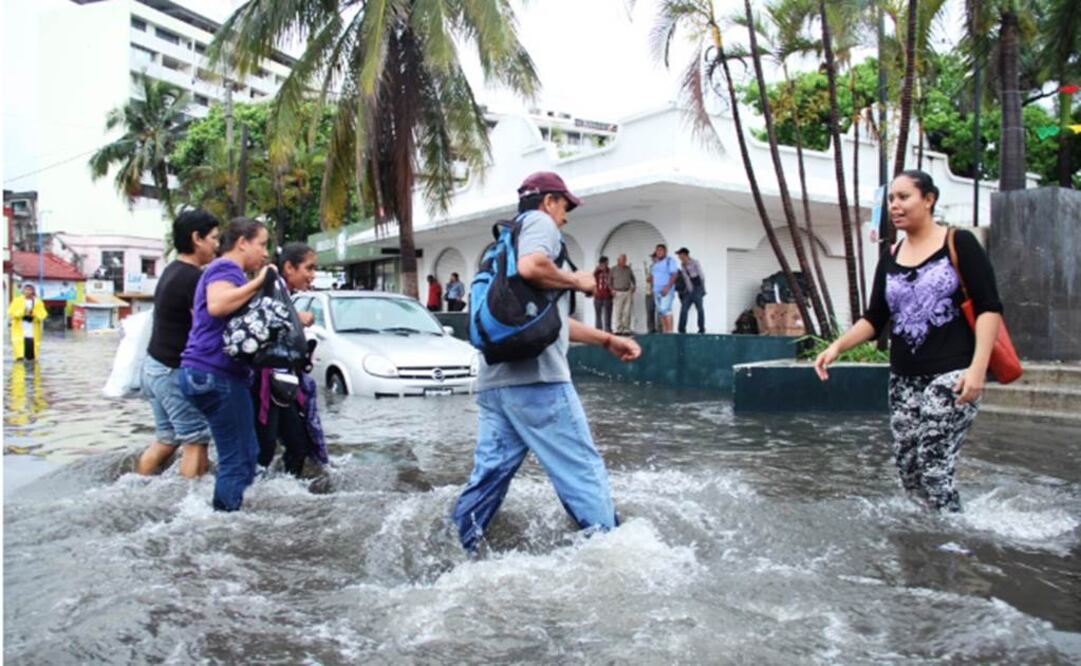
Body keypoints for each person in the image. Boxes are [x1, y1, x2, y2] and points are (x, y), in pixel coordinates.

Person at [452, 171, 642, 552]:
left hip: (495, 386)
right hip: (539, 384)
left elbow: (546, 323)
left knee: (488, 478)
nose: (566, 216)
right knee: (582, 470)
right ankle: (615, 556)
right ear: (548, 201)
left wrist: (606, 339)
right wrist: (578, 280)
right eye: (564, 206)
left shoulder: (497, 249)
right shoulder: (538, 224)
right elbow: (533, 267)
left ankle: (454, 545)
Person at [814, 170, 1003, 512]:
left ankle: (953, 539)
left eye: (904, 197)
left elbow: (990, 308)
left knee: (933, 462)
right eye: (891, 199)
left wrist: (978, 370)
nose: (895, 206)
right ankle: (921, 542)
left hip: (954, 374)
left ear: (929, 199)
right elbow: (875, 318)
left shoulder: (959, 244)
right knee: (908, 469)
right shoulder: (890, 256)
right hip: (903, 380)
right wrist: (837, 347)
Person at [178, 217, 272, 511]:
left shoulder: (229, 273)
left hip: (206, 373)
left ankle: (225, 515)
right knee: (239, 458)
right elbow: (218, 305)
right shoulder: (226, 268)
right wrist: (260, 282)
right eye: (262, 244)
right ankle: (224, 524)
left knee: (245, 452)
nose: (266, 253)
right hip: (215, 374)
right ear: (242, 243)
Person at [136, 210, 220, 478]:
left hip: (153, 368)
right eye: (214, 238)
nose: (217, 245)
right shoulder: (192, 278)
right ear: (197, 238)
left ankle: (138, 485)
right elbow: (203, 328)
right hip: (172, 371)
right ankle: (191, 507)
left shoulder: (171, 270)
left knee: (167, 439)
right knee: (196, 439)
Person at [251, 243, 329, 477]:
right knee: (265, 449)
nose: (312, 274)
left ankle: (286, 495)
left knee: (298, 445)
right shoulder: (270, 289)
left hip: (283, 384)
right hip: (265, 384)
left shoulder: (282, 292)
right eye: (309, 268)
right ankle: (252, 497)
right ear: (289, 267)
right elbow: (261, 320)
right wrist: (297, 318)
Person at [8, 284, 47, 361]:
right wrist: (22, 314)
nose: (28, 291)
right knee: (20, 353)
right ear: (23, 290)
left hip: (32, 331)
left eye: (30, 289)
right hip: (19, 329)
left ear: (33, 291)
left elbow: (43, 314)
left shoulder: (38, 302)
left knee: (31, 354)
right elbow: (11, 312)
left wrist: (34, 316)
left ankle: (31, 370)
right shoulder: (17, 301)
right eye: (26, 289)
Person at [650, 244, 680, 333]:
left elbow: (674, 274)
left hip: (666, 290)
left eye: (661, 250)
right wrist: (652, 288)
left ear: (665, 251)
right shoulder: (654, 265)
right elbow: (653, 277)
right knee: (661, 312)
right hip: (656, 291)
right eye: (657, 250)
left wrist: (667, 287)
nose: (659, 252)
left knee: (665, 310)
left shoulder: (670, 261)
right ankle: (665, 332)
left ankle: (670, 333)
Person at [675, 247, 706, 334]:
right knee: (684, 309)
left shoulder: (695, 263)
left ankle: (701, 329)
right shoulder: (682, 265)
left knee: (700, 309)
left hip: (697, 289)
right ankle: (681, 330)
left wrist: (702, 289)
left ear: (684, 255)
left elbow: (702, 276)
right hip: (688, 291)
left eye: (680, 255)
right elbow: (685, 278)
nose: (679, 257)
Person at [610, 254, 636, 335]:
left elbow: (633, 278)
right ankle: (618, 329)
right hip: (617, 292)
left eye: (625, 260)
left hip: (627, 292)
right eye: (622, 260)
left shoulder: (628, 269)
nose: (624, 261)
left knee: (627, 311)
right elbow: (609, 281)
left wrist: (634, 286)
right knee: (618, 312)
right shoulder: (613, 269)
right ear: (618, 260)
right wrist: (611, 290)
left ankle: (626, 329)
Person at [592, 256, 613, 333]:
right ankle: (598, 331)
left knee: (608, 314)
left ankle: (608, 330)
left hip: (608, 296)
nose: (607, 264)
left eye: (607, 263)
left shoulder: (610, 271)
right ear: (601, 263)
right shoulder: (596, 272)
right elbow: (591, 279)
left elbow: (612, 281)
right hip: (598, 296)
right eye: (606, 263)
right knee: (598, 314)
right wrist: (597, 270)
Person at [644, 253, 657, 334]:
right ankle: (651, 330)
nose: (652, 259)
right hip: (649, 291)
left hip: (658, 292)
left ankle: (660, 330)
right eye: (652, 257)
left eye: (653, 257)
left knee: (660, 312)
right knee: (649, 311)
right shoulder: (651, 267)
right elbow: (648, 278)